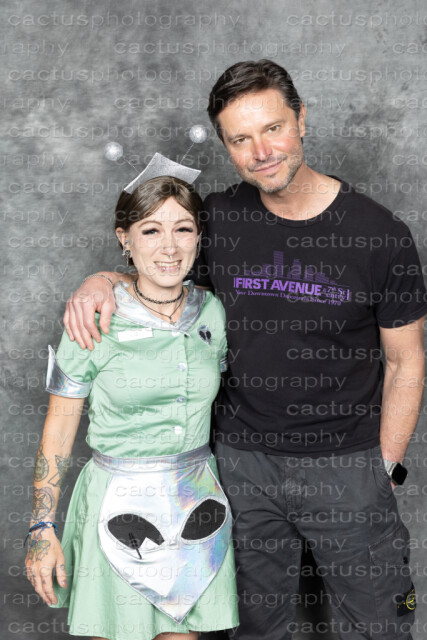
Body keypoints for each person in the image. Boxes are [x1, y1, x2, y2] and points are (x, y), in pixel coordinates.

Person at [63, 60, 426, 640]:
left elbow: (407, 360)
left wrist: (382, 467)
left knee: (378, 625)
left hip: (347, 464)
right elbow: (162, 269)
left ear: (301, 119)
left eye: (273, 128)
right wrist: (101, 280)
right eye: (240, 139)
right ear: (227, 145)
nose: (261, 152)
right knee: (253, 627)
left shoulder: (380, 235)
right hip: (239, 466)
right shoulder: (220, 220)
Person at [25, 169, 239, 640]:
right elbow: (58, 430)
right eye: (151, 230)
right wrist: (42, 526)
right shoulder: (93, 318)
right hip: (116, 509)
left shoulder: (213, 312)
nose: (170, 247)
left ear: (199, 237)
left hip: (196, 507)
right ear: (125, 239)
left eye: (183, 229)